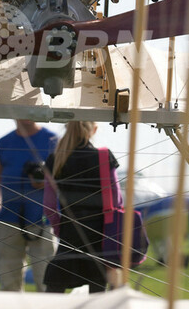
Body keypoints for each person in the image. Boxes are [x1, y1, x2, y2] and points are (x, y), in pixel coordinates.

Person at [42, 121, 120, 293]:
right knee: (98, 289)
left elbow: (49, 205)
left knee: (55, 285)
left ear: (67, 127)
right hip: (100, 232)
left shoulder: (55, 158)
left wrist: (59, 228)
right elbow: (116, 200)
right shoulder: (103, 156)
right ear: (94, 129)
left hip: (69, 230)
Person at [0, 119, 57, 291]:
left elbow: (64, 181)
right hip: (8, 219)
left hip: (43, 220)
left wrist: (45, 182)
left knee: (46, 280)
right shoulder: (4, 142)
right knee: (9, 282)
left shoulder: (53, 141)